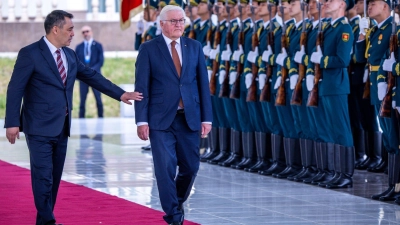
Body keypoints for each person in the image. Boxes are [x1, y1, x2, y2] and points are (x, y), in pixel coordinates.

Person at [4, 10, 142, 225]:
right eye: (70, 29)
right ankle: (49, 222)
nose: (73, 34)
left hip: (62, 128)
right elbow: (15, 89)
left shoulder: (69, 55)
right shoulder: (30, 53)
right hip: (38, 127)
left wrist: (120, 94)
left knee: (54, 178)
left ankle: (43, 222)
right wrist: (12, 122)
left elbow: (91, 76)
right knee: (43, 177)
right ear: (55, 29)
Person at [134, 5, 212, 225]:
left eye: (181, 20)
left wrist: (207, 118)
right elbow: (142, 87)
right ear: (162, 24)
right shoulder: (149, 49)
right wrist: (141, 120)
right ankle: (174, 216)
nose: (179, 25)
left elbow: (202, 85)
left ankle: (175, 201)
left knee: (190, 167)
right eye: (174, 21)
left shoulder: (194, 46)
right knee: (165, 167)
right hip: (160, 120)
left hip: (189, 117)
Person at [75, 25, 104, 118]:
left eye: (87, 31)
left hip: (95, 77)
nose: (85, 33)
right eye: (83, 32)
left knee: (98, 99)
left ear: (91, 32)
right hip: (83, 78)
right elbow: (76, 62)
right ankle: (81, 119)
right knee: (82, 101)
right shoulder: (79, 47)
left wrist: (91, 71)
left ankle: (101, 118)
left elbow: (100, 61)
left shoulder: (98, 46)